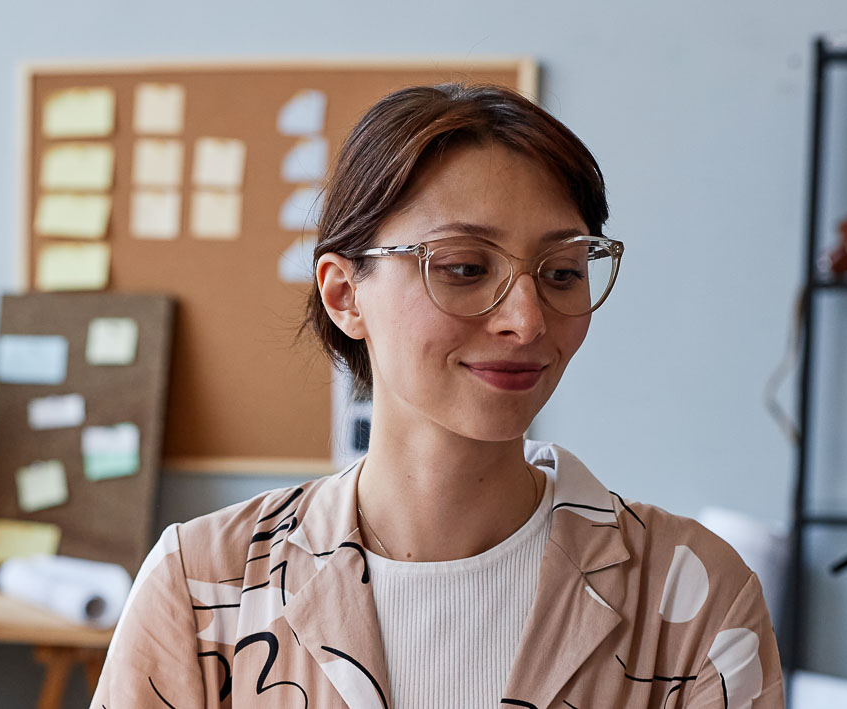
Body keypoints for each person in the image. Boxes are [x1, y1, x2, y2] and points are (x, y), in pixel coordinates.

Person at [91, 84, 783, 708]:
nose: (527, 319)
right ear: (344, 294)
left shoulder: (692, 597)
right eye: (463, 267)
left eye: (564, 272)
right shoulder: (203, 588)